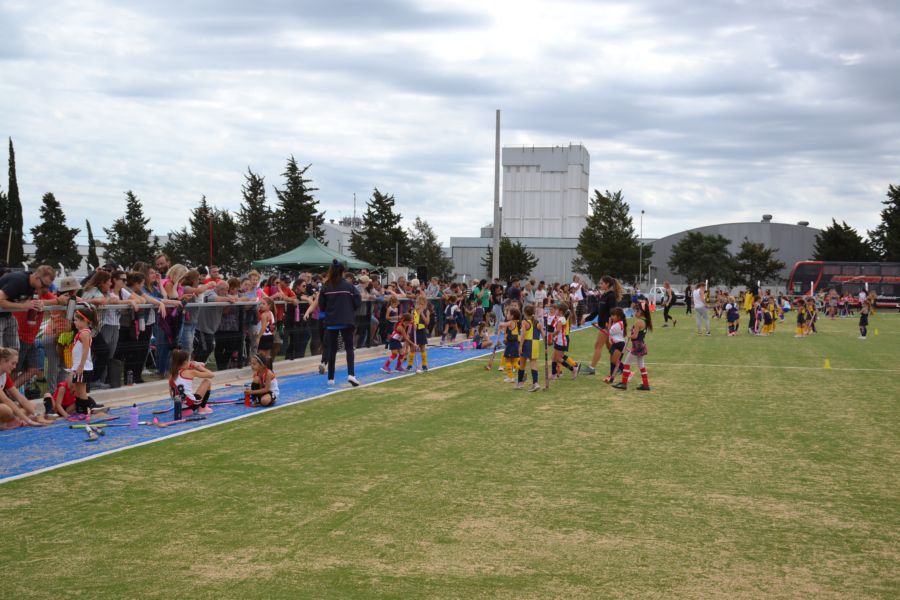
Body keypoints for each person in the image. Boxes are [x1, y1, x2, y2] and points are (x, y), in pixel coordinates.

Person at [318, 260, 361, 386]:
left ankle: (330, 378)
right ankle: (351, 375)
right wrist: (350, 309)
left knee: (332, 349)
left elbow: (321, 306)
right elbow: (357, 301)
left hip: (331, 322)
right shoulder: (349, 286)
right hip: (347, 321)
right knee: (349, 348)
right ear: (343, 272)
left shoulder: (325, 287)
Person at [0, 265, 55, 349]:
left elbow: (27, 302)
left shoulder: (32, 285)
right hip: (3, 316)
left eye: (48, 286)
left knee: (13, 351)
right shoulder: (18, 281)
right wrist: (22, 306)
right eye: (44, 285)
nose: (45, 288)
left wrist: (38, 304)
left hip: (7, 315)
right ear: (36, 277)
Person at [0, 347, 52, 428]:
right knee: (6, 409)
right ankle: (12, 421)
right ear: (3, 361)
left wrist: (38, 416)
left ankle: (13, 420)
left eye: (16, 364)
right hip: (4, 407)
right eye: (13, 363)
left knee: (35, 406)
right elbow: (6, 401)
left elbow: (19, 397)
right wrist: (29, 421)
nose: (14, 367)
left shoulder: (4, 375)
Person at [582, 275, 621, 375]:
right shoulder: (603, 295)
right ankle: (620, 367)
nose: (600, 285)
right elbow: (597, 311)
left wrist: (610, 325)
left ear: (607, 284)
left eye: (602, 283)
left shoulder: (611, 296)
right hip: (603, 325)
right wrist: (586, 319)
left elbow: (614, 313)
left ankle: (592, 368)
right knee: (610, 347)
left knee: (598, 345)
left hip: (608, 326)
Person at [612, 300, 652, 391]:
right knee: (641, 365)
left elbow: (635, 336)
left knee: (626, 363)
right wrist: (633, 331)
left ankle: (624, 383)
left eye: (636, 310)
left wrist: (629, 335)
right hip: (641, 345)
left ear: (640, 311)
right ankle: (646, 385)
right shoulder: (644, 321)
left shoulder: (638, 321)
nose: (634, 312)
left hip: (637, 346)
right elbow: (639, 333)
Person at [68, 306, 101, 414]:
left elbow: (86, 350)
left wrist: (81, 366)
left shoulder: (84, 333)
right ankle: (82, 411)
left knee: (81, 392)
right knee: (78, 391)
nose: (74, 322)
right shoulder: (83, 332)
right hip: (80, 366)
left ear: (85, 321)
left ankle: (83, 412)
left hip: (82, 367)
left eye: (76, 320)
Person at [169, 348, 214, 415]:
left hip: (179, 407)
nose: (190, 362)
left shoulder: (172, 375)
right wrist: (199, 367)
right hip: (192, 404)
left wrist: (194, 365)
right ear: (185, 362)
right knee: (207, 381)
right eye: (189, 360)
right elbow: (211, 375)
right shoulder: (191, 372)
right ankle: (202, 408)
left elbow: (172, 395)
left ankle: (187, 409)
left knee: (186, 394)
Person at [517, 304, 542, 392]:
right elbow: (543, 333)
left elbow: (523, 334)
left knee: (522, 364)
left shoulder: (524, 322)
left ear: (524, 313)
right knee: (533, 364)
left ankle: (520, 383)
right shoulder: (537, 322)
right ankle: (535, 383)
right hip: (535, 345)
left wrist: (520, 346)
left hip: (526, 344)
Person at [406, 295, 431, 373]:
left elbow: (427, 322)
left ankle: (424, 365)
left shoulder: (426, 311)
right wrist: (413, 323)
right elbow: (411, 320)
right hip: (414, 331)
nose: (420, 305)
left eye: (422, 304)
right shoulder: (414, 311)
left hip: (421, 330)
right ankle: (409, 365)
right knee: (413, 348)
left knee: (422, 348)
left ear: (425, 304)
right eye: (418, 303)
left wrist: (421, 314)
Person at [603, 308, 627, 384]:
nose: (611, 317)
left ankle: (627, 372)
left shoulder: (618, 324)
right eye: (611, 315)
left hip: (619, 344)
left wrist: (609, 324)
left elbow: (609, 332)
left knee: (615, 361)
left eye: (613, 315)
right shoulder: (617, 323)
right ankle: (611, 377)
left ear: (619, 317)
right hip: (615, 344)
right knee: (612, 360)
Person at [499, 306, 521, 383]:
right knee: (514, 362)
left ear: (512, 316)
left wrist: (500, 324)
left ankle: (510, 377)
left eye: (508, 313)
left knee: (507, 360)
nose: (506, 315)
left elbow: (503, 324)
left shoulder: (511, 322)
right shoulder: (516, 322)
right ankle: (522, 372)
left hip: (511, 344)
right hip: (515, 344)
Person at [257, 295, 276, 361]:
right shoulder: (271, 313)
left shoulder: (264, 315)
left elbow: (263, 327)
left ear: (269, 306)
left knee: (261, 355)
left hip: (264, 336)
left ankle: (263, 370)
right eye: (260, 303)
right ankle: (269, 369)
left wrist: (258, 337)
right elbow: (273, 326)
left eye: (263, 304)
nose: (261, 305)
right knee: (267, 355)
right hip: (270, 336)